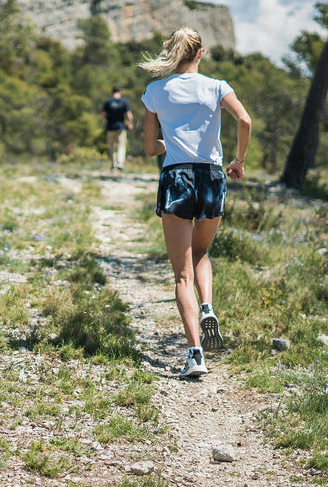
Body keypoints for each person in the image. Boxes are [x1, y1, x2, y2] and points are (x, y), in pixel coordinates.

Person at [138, 27, 251, 379]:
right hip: (212, 177)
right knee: (202, 253)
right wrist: (238, 161)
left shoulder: (156, 91)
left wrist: (170, 144)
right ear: (200, 53)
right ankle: (207, 305)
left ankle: (195, 354)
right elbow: (245, 120)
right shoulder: (217, 86)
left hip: (177, 179)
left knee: (181, 274)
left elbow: (149, 147)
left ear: (171, 53)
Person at [101, 86, 134, 171]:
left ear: (112, 92)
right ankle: (120, 163)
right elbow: (129, 116)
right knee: (121, 145)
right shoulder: (123, 102)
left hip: (110, 127)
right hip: (121, 127)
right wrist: (129, 124)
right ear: (121, 92)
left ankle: (113, 165)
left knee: (112, 147)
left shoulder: (108, 102)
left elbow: (103, 115)